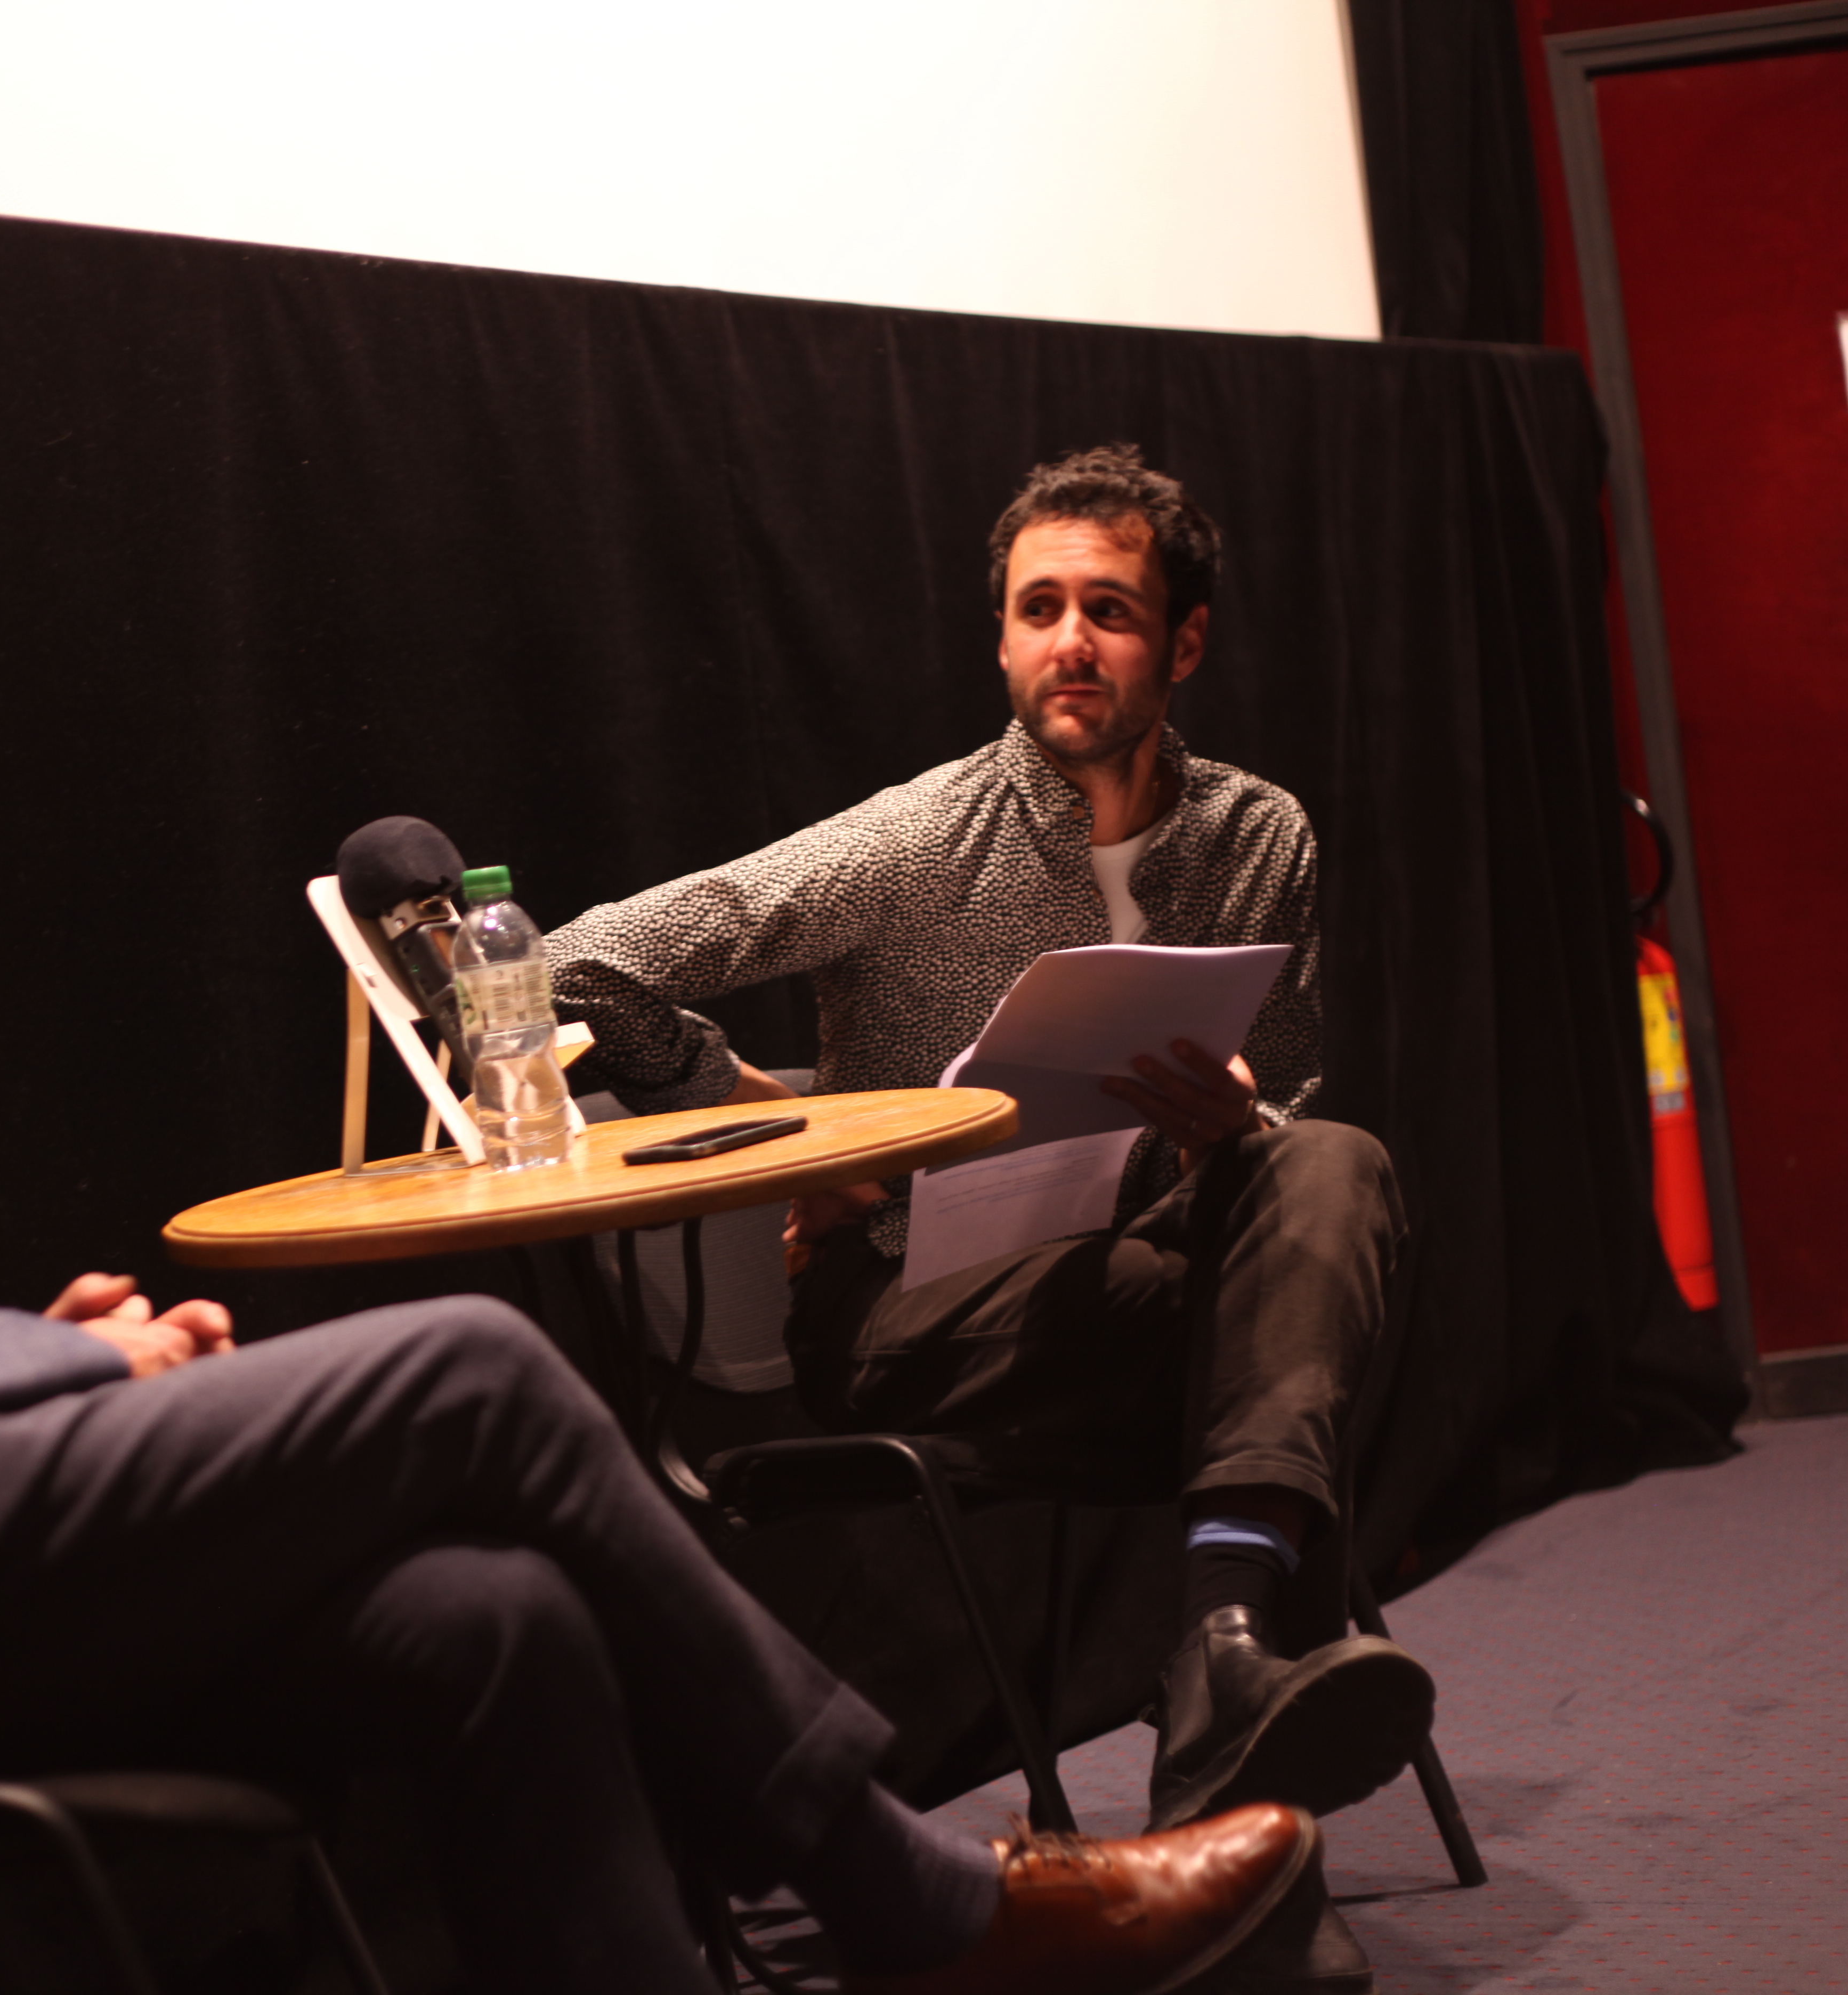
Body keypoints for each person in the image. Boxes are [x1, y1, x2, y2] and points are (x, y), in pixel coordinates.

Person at [0, 468, 1316, 1995]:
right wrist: (51, 1370)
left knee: (487, 1613)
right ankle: (913, 1905)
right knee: (464, 1367)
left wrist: (15, 1352)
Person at [546, 446, 1434, 1991]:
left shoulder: (1258, 837)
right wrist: (790, 1132)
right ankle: (1230, 1745)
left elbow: (1281, 1117)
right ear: (1003, 638)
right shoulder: (916, 841)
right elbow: (578, 962)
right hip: (907, 1305)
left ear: (1185, 642)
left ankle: (1220, 1659)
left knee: (1331, 1167)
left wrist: (1232, 1131)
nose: (1070, 642)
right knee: (1284, 1334)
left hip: (1148, 1280)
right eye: (1039, 609)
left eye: (1112, 610)